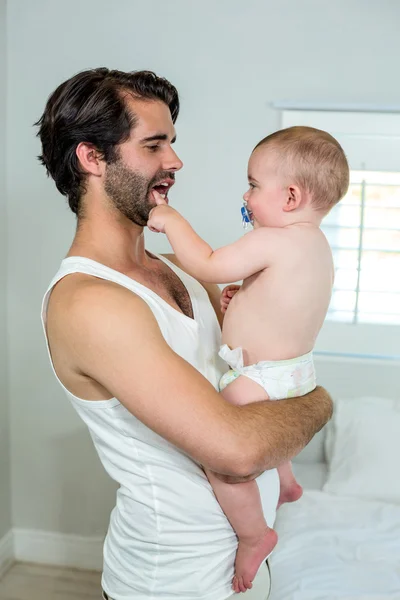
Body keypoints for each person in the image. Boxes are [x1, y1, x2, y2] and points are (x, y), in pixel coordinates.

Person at [37, 68, 333, 600]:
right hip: (172, 584)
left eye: (172, 143)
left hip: (244, 570)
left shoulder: (186, 272)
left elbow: (255, 374)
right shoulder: (90, 302)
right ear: (92, 158)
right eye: (154, 144)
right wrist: (321, 402)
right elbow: (237, 450)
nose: (174, 161)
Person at [147, 125, 349, 593]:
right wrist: (247, 296)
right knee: (269, 429)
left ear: (292, 196)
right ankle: (287, 477)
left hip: (262, 377)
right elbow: (286, 305)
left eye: (255, 185)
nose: (246, 194)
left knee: (222, 454)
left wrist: (173, 222)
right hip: (294, 373)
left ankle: (255, 534)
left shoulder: (274, 239)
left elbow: (210, 264)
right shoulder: (314, 245)